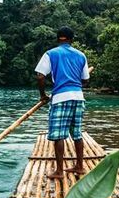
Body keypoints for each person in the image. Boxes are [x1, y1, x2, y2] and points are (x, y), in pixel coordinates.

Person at [35, 26, 93, 179]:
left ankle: (59, 171)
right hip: (78, 97)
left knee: (59, 135)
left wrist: (43, 95)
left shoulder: (51, 53)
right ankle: (80, 166)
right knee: (77, 133)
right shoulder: (81, 55)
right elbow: (85, 80)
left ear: (58, 38)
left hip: (61, 98)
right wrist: (77, 83)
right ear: (71, 39)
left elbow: (40, 76)